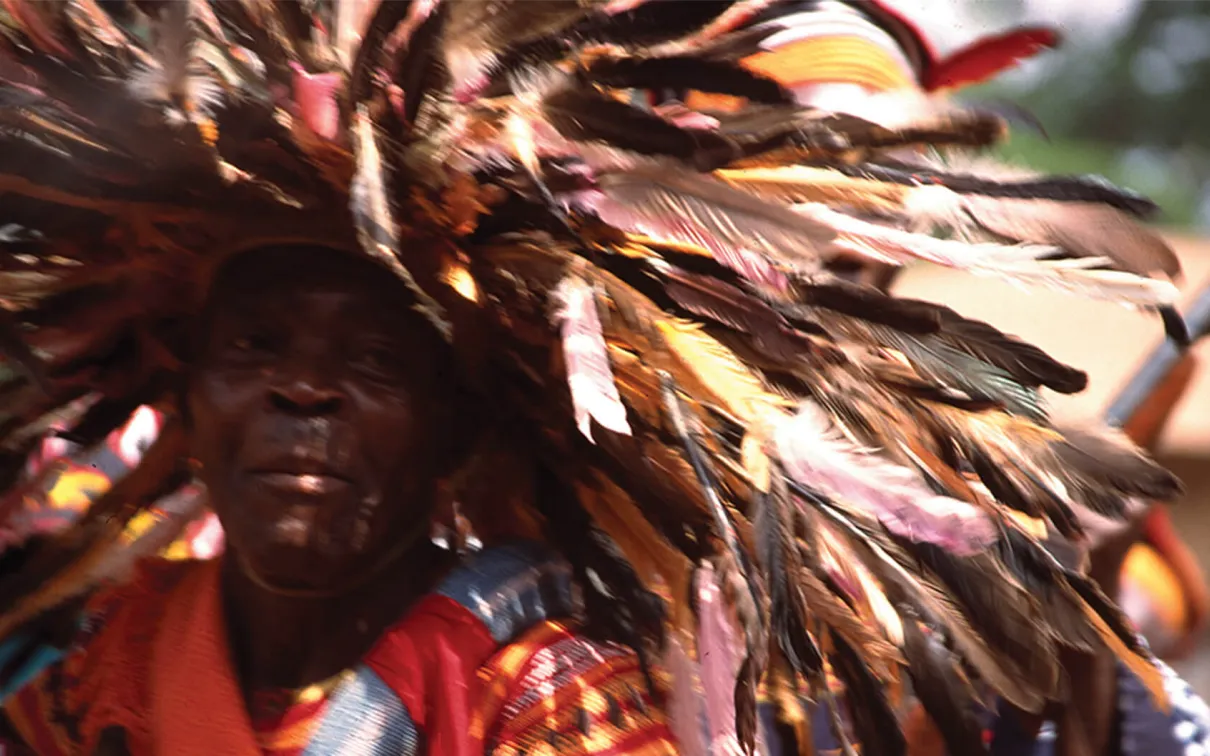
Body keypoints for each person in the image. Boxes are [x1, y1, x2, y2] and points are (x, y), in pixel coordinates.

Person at [0, 1, 1195, 755]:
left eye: (369, 360)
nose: (302, 396)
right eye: (255, 350)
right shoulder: (109, 635)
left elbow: (1124, 657)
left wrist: (1062, 632)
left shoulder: (553, 685)